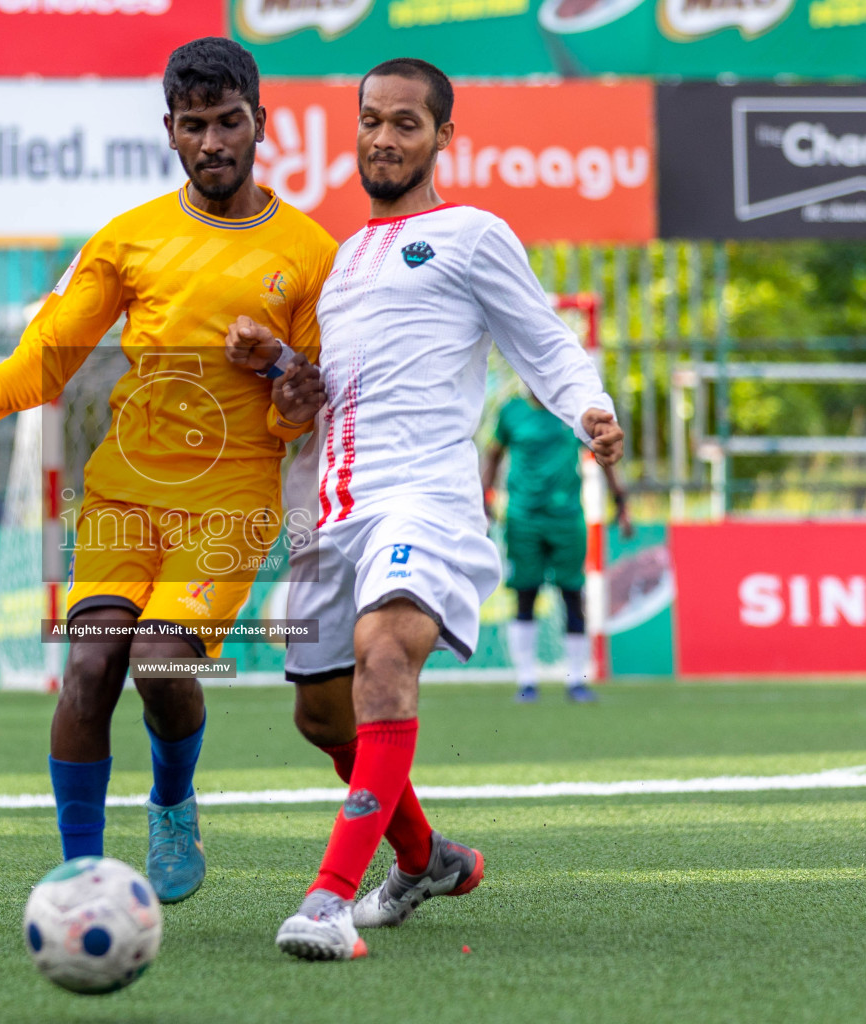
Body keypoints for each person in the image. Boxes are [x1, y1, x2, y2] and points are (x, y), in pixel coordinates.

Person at [0, 37, 337, 903]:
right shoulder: (130, 238)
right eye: (194, 126)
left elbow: (309, 406)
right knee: (91, 665)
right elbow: (48, 358)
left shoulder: (310, 254)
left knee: (158, 659)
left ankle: (173, 800)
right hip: (122, 491)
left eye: (229, 122)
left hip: (229, 502)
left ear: (262, 123)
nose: (213, 141)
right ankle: (80, 874)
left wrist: (275, 362)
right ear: (170, 133)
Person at [226, 58, 623, 960]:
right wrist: (272, 364)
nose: (384, 137)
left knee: (383, 656)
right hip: (335, 511)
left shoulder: (473, 233)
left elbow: (543, 340)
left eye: (407, 123)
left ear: (444, 137)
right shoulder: (338, 264)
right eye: (372, 120)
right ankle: (425, 856)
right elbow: (317, 395)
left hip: (427, 496)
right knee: (322, 717)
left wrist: (590, 408)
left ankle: (327, 900)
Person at [482, 390, 634, 703]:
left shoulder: (572, 410)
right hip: (523, 517)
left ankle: (575, 680)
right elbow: (494, 455)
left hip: (567, 517)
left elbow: (602, 452)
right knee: (525, 594)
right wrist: (484, 500)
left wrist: (620, 500)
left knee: (572, 594)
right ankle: (526, 681)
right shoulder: (511, 411)